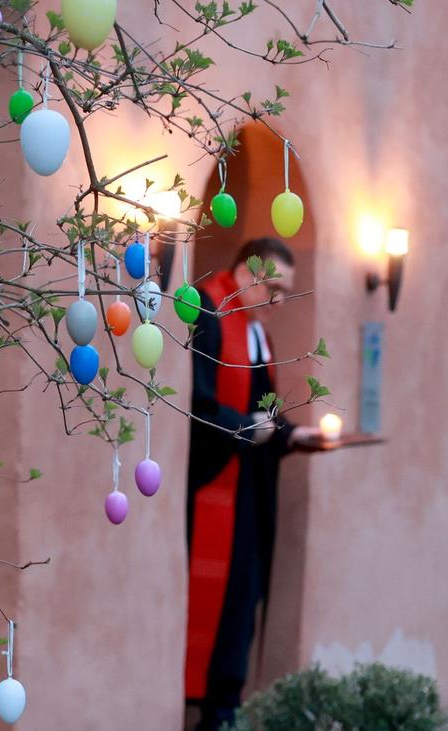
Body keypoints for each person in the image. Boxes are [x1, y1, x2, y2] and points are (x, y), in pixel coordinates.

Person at [183, 237, 328, 730]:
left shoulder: (253, 332)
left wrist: (294, 434)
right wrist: (246, 429)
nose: (280, 301)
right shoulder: (207, 312)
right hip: (212, 490)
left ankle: (226, 709)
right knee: (222, 606)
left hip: (247, 491)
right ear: (246, 275)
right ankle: (215, 714)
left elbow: (262, 406)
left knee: (242, 602)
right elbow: (196, 406)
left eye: (287, 291)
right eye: (275, 288)